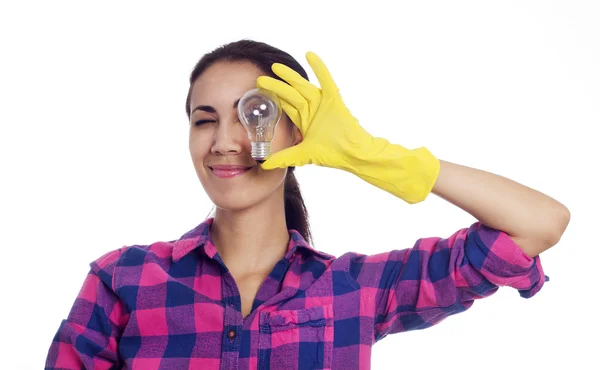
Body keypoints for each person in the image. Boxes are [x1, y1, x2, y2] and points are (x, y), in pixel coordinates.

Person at [45, 40, 569, 370]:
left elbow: (538, 224)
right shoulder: (124, 279)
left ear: (302, 133)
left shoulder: (355, 291)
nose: (225, 141)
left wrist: (374, 157)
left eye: (254, 115)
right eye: (205, 119)